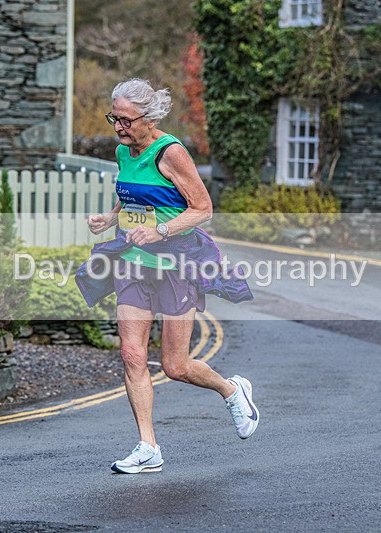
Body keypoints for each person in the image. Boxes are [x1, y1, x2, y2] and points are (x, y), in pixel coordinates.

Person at [79, 78, 257, 474]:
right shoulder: (124, 151)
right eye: (114, 119)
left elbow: (202, 208)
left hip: (175, 266)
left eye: (126, 120)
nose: (119, 128)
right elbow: (135, 198)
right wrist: (109, 217)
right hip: (132, 264)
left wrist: (160, 231)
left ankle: (232, 390)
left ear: (149, 117)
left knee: (175, 366)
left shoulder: (171, 152)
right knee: (131, 355)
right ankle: (148, 447)